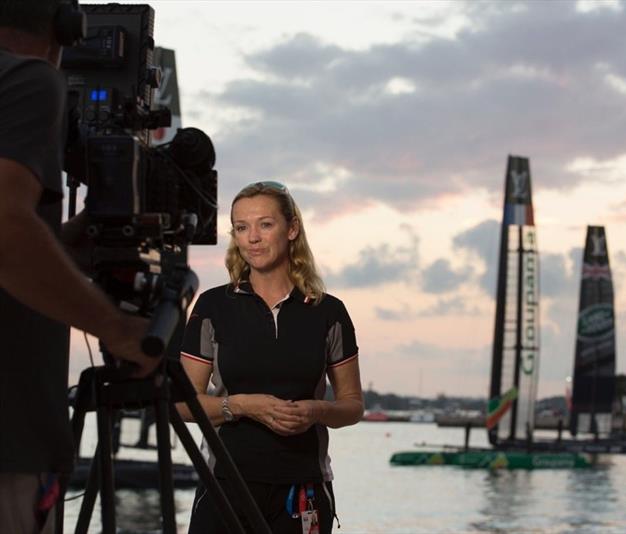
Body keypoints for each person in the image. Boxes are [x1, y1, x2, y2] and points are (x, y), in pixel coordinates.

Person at [0, 1, 161, 532]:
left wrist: (65, 244)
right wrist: (116, 328)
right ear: (66, 26)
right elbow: (5, 230)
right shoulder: (29, 78)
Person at [178, 181, 364, 534]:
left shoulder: (329, 312)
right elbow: (182, 404)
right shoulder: (213, 307)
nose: (252, 238)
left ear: (292, 228)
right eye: (241, 228)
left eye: (265, 224)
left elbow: (353, 405)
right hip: (225, 485)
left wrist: (316, 410)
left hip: (303, 489)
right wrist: (243, 406)